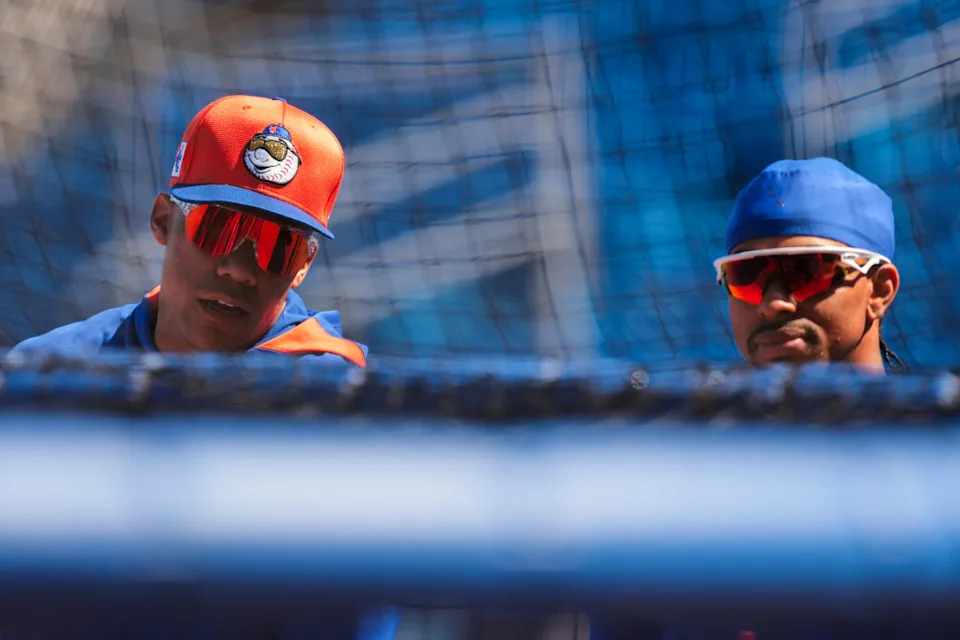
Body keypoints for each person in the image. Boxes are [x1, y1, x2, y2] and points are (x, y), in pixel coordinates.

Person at [10, 94, 366, 367]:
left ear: (304, 264)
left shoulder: (336, 400)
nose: (239, 269)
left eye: (278, 246)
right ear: (163, 220)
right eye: (217, 228)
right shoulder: (49, 371)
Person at [713, 157, 902, 372]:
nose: (773, 305)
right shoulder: (696, 404)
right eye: (744, 274)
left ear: (879, 291)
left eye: (806, 270)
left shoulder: (941, 402)